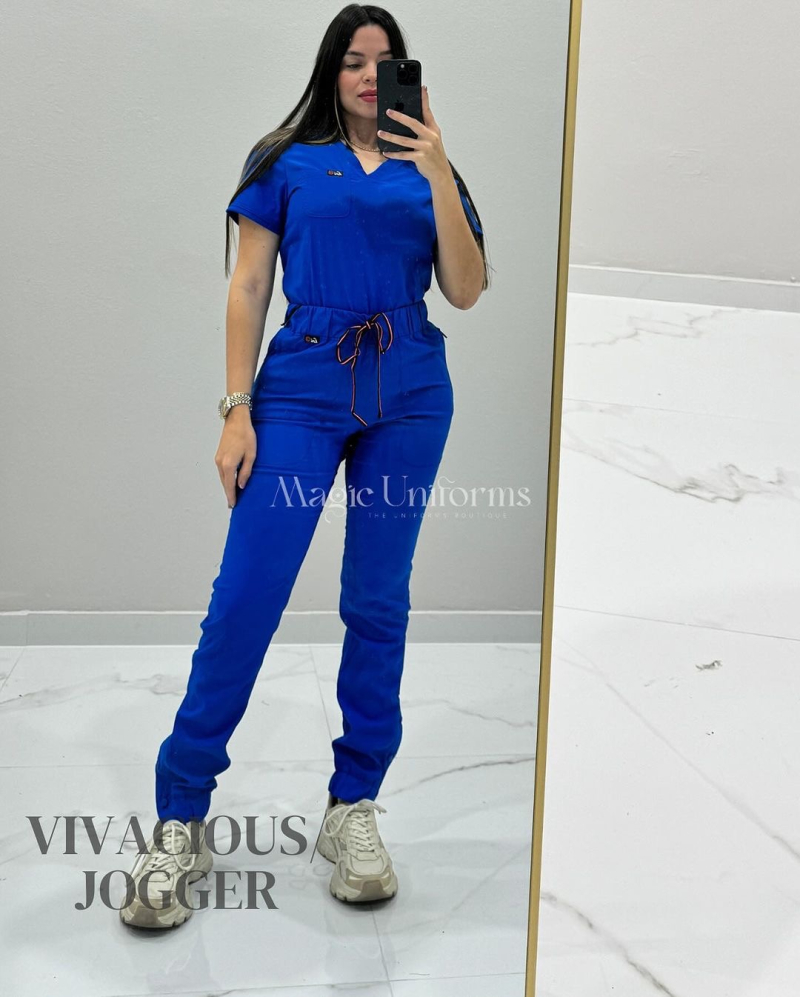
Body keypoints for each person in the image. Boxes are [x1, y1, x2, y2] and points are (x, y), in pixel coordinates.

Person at [120, 4, 487, 930]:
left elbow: (466, 288)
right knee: (247, 595)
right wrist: (236, 408)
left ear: (406, 74)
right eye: (354, 60)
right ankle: (181, 813)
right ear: (331, 70)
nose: (370, 75)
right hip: (302, 389)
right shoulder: (284, 160)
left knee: (378, 599)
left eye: (385, 61)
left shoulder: (431, 168)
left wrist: (439, 166)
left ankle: (352, 805)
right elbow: (249, 284)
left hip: (410, 390)